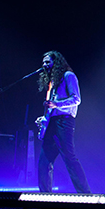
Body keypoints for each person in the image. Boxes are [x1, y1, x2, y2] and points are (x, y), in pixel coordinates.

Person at [35, 51, 91, 194]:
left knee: (69, 158)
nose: (44, 65)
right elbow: (52, 107)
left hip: (64, 122)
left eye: (48, 62)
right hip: (53, 122)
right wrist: (44, 119)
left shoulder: (68, 76)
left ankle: (85, 194)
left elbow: (76, 99)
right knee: (44, 162)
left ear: (57, 63)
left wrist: (56, 104)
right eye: (43, 62)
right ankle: (44, 197)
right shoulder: (52, 83)